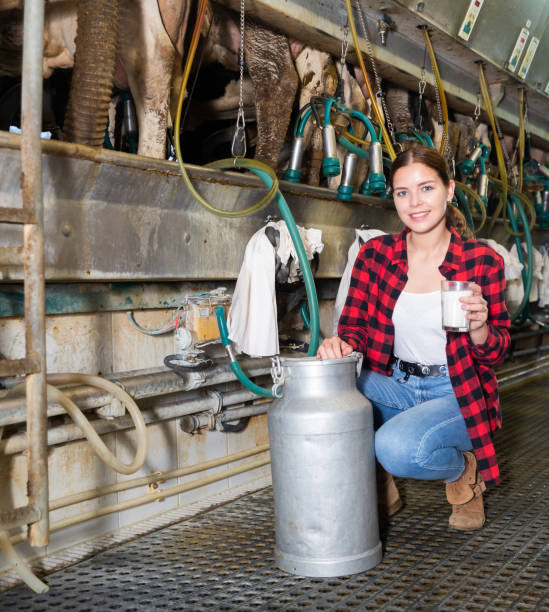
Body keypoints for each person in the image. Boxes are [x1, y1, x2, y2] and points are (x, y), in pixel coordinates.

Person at [317, 146, 510, 530]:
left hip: (457, 389)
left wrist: (480, 329)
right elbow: (354, 327)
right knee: (334, 388)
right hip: (397, 383)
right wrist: (340, 344)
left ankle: (462, 472)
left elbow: (498, 352)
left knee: (395, 447)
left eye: (426, 189)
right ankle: (379, 475)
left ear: (449, 190)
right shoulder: (375, 255)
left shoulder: (482, 260)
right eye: (402, 192)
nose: (415, 203)